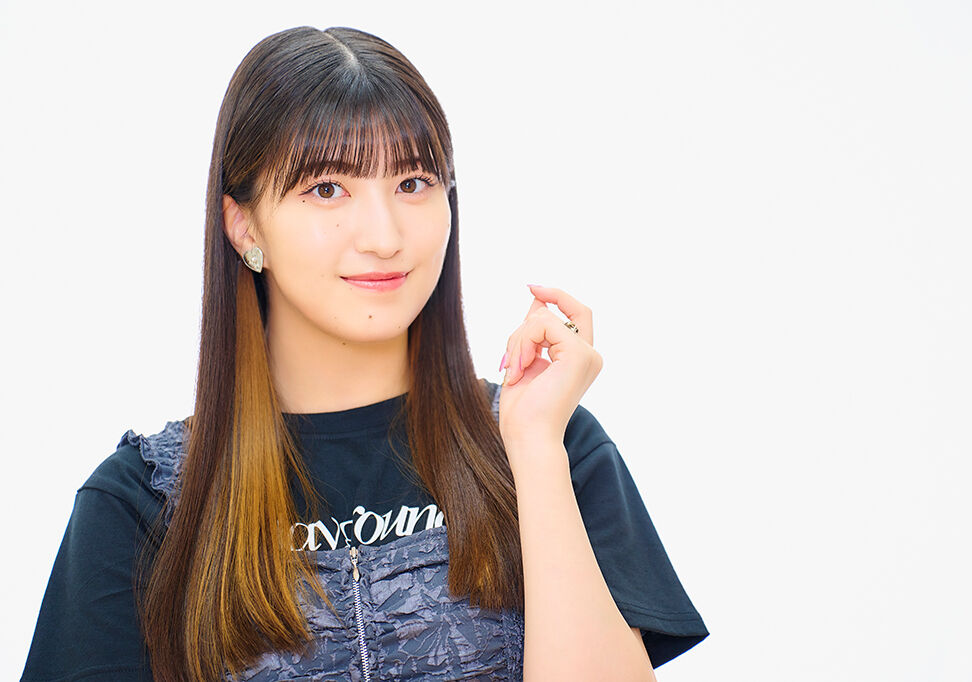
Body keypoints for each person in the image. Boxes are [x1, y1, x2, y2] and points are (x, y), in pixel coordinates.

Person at [20, 25, 707, 682]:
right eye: (328, 190)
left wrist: (533, 451)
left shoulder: (555, 446)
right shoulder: (143, 506)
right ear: (244, 226)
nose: (383, 236)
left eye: (412, 183)